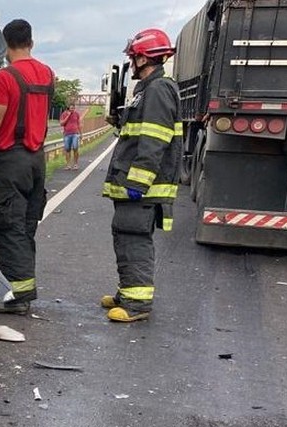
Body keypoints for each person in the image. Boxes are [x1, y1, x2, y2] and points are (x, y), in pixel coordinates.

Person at [101, 28, 181, 322]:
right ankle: (128, 292)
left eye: (134, 57)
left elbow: (154, 139)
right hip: (135, 184)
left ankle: (137, 304)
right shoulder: (147, 89)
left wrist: (138, 181)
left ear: (145, 57)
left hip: (142, 186)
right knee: (125, 235)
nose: (132, 63)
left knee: (133, 237)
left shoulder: (158, 90)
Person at [0, 19, 55, 315]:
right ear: (31, 43)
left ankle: (15, 298)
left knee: (8, 228)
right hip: (37, 159)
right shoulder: (48, 74)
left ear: (5, 45)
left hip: (10, 161)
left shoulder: (4, 78)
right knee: (24, 227)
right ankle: (23, 290)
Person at [59, 103, 82, 169]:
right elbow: (62, 123)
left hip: (75, 133)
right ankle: (68, 165)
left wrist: (81, 133)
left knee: (75, 148)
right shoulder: (64, 114)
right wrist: (68, 116)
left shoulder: (76, 114)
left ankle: (75, 164)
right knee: (67, 149)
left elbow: (79, 124)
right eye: (71, 108)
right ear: (68, 108)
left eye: (73, 108)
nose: (72, 109)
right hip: (67, 134)